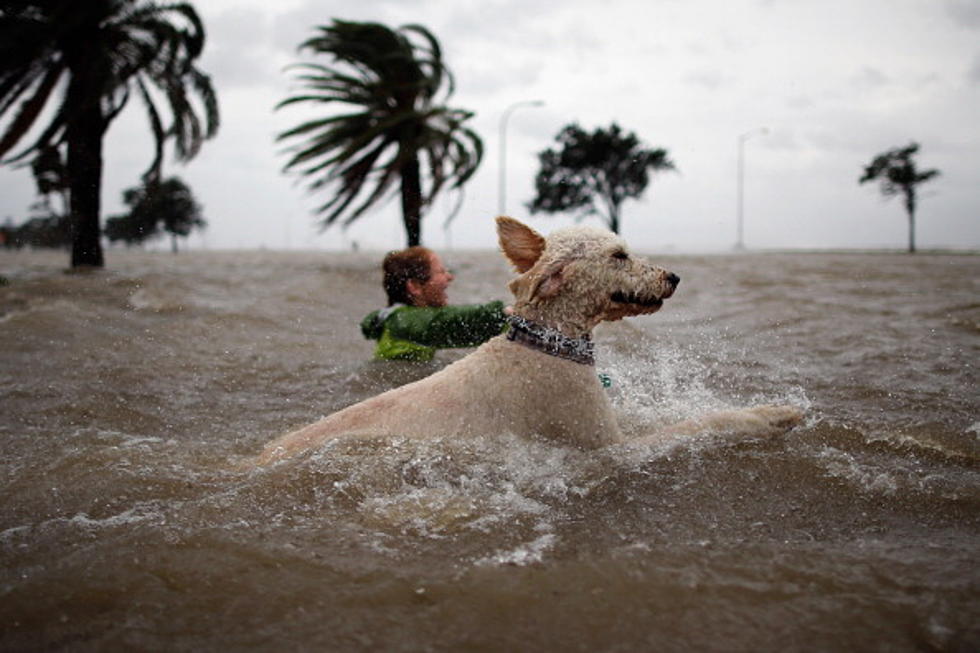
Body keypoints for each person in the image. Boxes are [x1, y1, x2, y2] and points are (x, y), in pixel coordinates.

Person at [360, 246, 508, 361]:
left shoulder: (397, 317)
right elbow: (450, 321)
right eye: (441, 272)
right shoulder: (404, 320)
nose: (450, 277)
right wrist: (503, 313)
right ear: (415, 286)